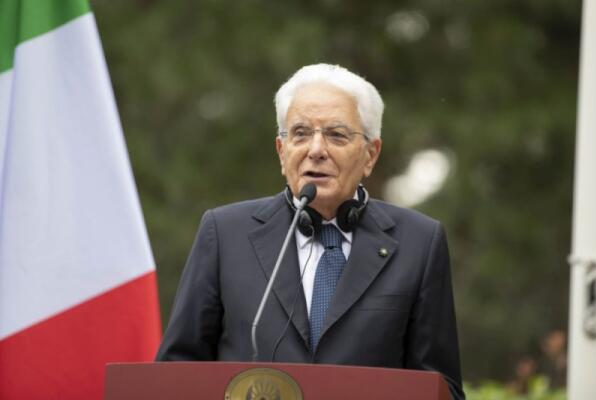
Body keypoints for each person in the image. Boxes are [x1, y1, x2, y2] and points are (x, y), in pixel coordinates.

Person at [156, 64, 465, 399]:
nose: (316, 150)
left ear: (370, 155)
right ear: (281, 151)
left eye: (336, 135)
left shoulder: (419, 243)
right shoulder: (224, 233)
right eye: (301, 133)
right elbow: (176, 371)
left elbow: (441, 388)